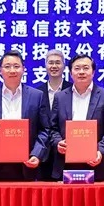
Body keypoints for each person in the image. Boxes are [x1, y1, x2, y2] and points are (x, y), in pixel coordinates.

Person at [0, 52, 51, 181]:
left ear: (24, 69)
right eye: (7, 66)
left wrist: (37, 154)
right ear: (0, 70)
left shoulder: (37, 96)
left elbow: (45, 130)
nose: (12, 70)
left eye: (16, 66)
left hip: (26, 164)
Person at [49, 54, 104, 182]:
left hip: (95, 163)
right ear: (70, 73)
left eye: (86, 68)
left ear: (93, 72)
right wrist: (58, 142)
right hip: (64, 163)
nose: (81, 72)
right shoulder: (60, 97)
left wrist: (100, 151)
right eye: (77, 68)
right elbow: (52, 128)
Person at [39, 49, 69, 179]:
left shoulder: (73, 90)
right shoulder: (37, 92)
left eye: (58, 62)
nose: (54, 66)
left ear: (64, 66)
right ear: (45, 65)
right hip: (42, 154)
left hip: (66, 151)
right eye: (50, 63)